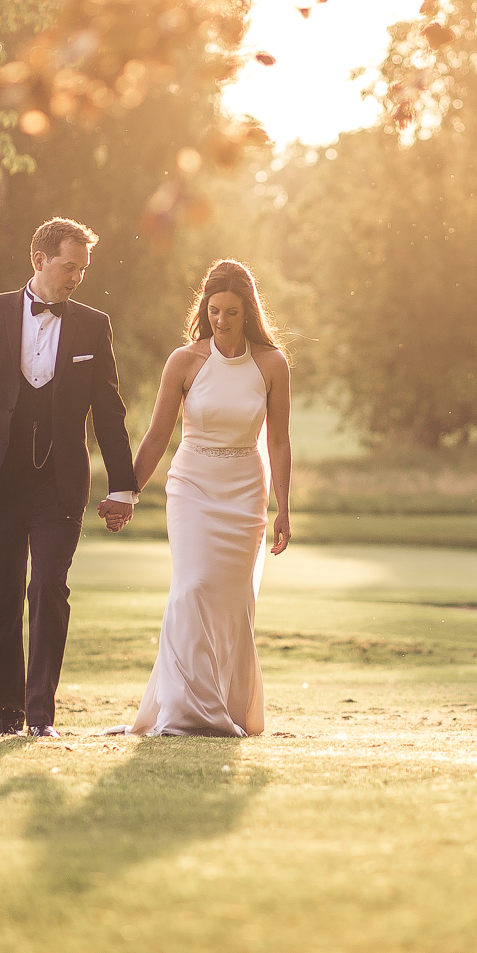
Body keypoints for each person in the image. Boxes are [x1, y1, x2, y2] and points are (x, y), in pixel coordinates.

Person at [0, 218, 138, 737]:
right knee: (2, 597)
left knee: (48, 588)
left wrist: (122, 486)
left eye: (83, 270)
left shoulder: (94, 325)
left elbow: (109, 411)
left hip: (59, 482)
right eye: (70, 267)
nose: (77, 279)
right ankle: (6, 718)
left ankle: (40, 717)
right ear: (39, 260)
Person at [123, 260, 293, 737]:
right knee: (194, 585)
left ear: (249, 312)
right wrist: (127, 492)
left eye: (232, 312)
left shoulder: (271, 364)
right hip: (192, 484)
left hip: (244, 489)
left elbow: (279, 441)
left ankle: (229, 708)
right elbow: (157, 435)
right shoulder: (184, 361)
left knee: (234, 600)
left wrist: (284, 508)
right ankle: (183, 710)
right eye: (214, 310)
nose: (221, 320)